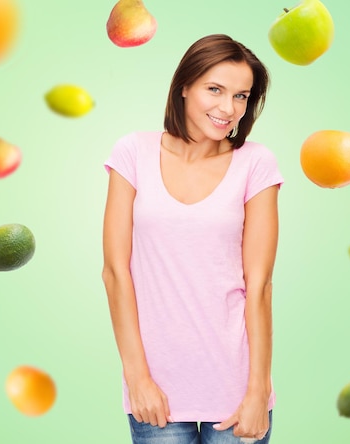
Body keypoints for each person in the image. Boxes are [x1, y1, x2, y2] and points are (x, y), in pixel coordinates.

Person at [102, 33, 283, 444]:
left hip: (237, 393)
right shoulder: (133, 153)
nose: (227, 108)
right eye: (215, 89)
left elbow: (259, 287)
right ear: (184, 86)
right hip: (157, 394)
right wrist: (137, 378)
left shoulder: (255, 163)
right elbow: (115, 272)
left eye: (241, 96)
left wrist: (258, 392)